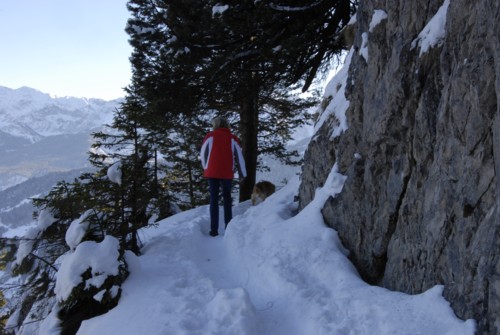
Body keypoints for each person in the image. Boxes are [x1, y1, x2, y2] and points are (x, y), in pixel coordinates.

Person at [200, 116, 247, 236]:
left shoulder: (210, 136)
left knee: (214, 200)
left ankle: (214, 230)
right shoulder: (232, 138)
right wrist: (242, 174)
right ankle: (228, 227)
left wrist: (206, 168)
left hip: (212, 172)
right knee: (227, 198)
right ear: (227, 125)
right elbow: (239, 157)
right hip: (226, 173)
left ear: (215, 125)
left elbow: (203, 153)